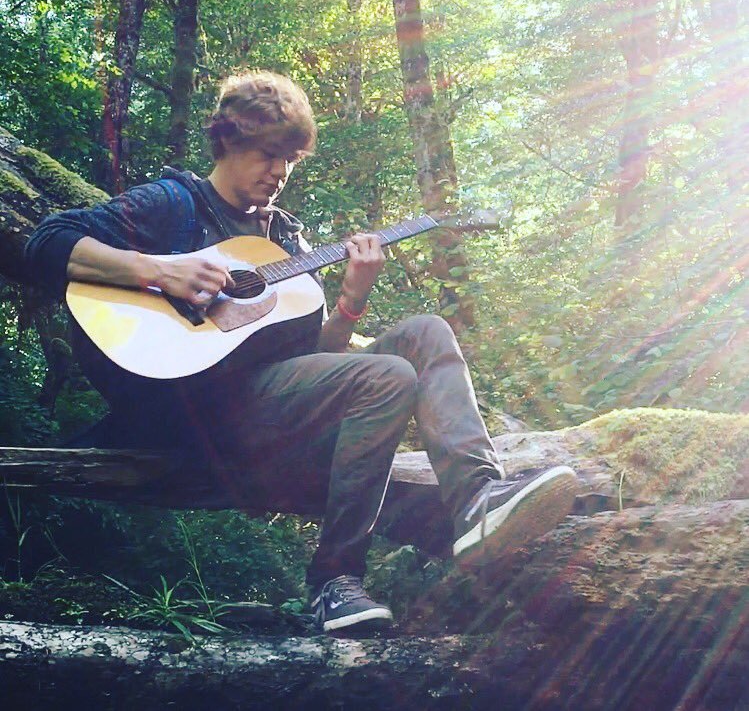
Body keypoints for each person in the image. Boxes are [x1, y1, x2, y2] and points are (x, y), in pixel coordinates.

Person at [25, 71, 578, 633]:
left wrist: (352, 303)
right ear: (227, 141)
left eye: (291, 159)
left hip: (267, 408)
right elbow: (46, 241)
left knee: (427, 332)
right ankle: (334, 582)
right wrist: (161, 269)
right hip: (186, 409)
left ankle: (478, 500)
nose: (280, 172)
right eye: (269, 154)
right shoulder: (174, 202)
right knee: (386, 374)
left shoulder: (287, 240)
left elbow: (315, 359)